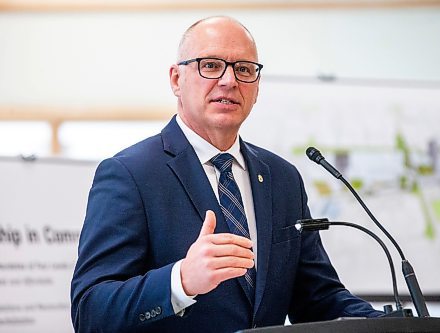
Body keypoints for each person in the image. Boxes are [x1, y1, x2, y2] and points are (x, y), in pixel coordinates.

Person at [71, 16, 383, 333]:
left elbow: (317, 298)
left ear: (257, 87)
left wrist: (394, 324)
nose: (229, 81)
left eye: (244, 69)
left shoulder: (282, 177)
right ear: (176, 79)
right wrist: (180, 281)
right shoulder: (130, 173)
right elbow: (90, 312)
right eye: (210, 65)